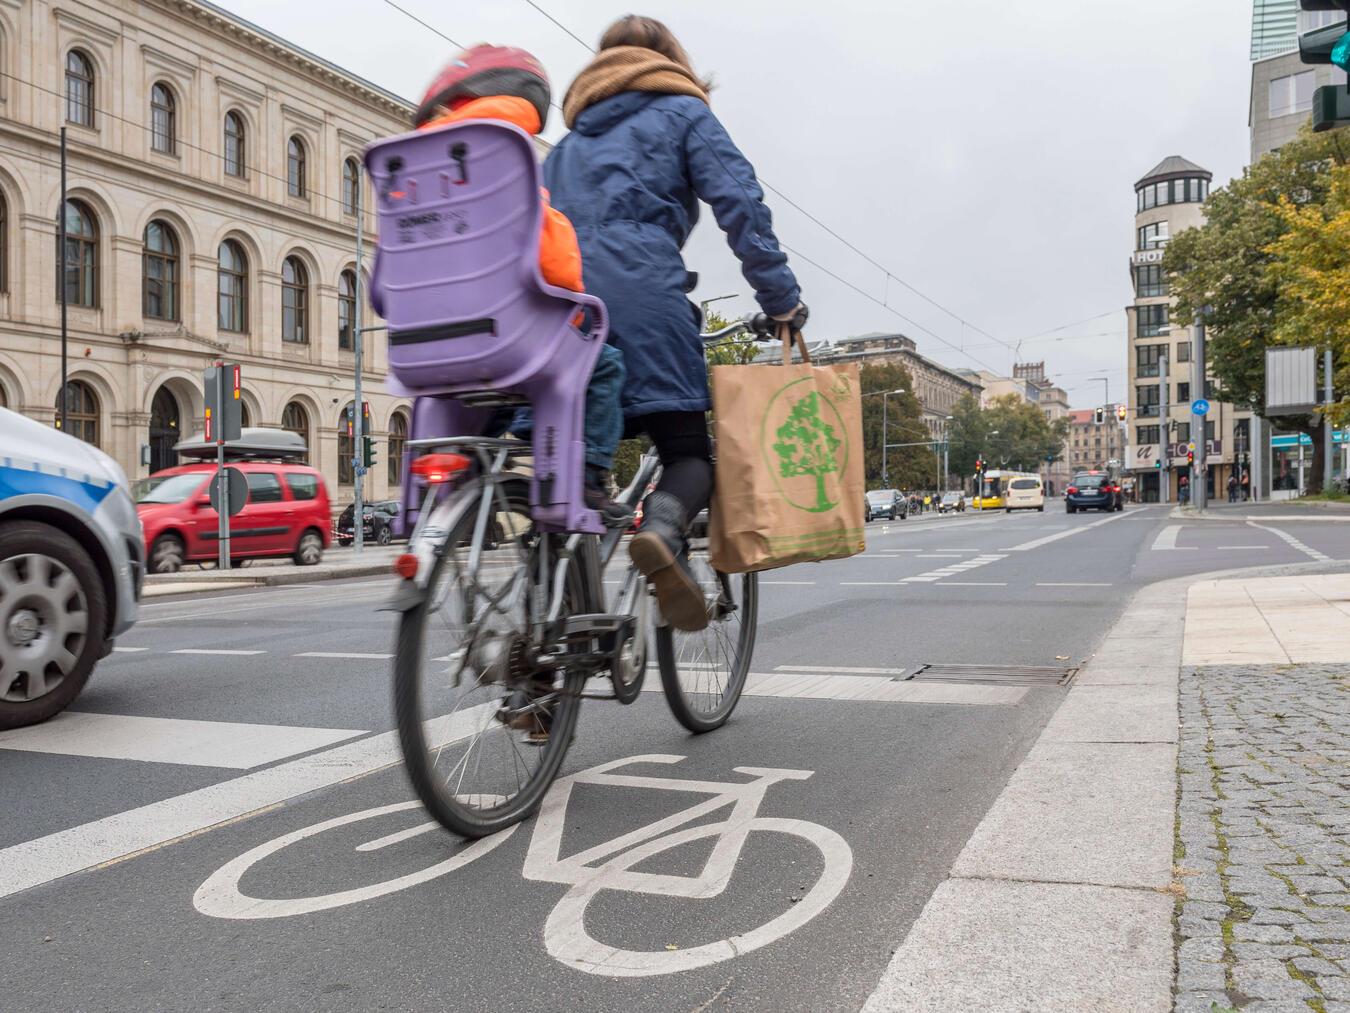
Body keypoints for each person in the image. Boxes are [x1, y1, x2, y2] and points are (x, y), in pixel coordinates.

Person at [545, 15, 804, 631]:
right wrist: (781, 301)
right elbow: (741, 203)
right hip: (640, 295)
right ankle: (662, 530)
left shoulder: (564, 149)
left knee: (574, 464)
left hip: (556, 308)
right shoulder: (683, 112)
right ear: (670, 63)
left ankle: (554, 634)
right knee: (688, 452)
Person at [413, 46, 632, 527]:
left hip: (425, 346)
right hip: (507, 335)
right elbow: (554, 264)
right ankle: (589, 479)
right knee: (603, 365)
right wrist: (571, 290)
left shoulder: (412, 164)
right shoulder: (503, 150)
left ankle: (469, 470)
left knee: (477, 384)